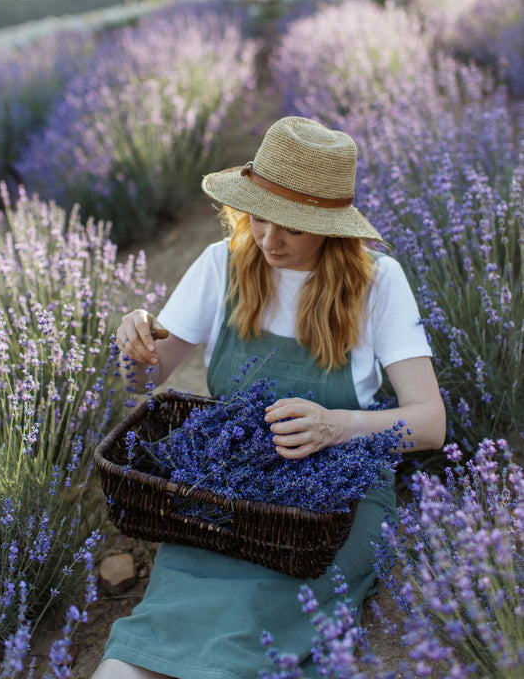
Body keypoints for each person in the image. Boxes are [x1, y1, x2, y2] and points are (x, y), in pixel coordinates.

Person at [92, 116, 445, 679]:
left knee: (252, 634)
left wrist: (334, 427)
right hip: (227, 491)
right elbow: (146, 382)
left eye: (291, 228)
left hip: (333, 503)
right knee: (153, 635)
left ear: (330, 226)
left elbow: (430, 423)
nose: (268, 240)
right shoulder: (222, 265)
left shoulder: (379, 283)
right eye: (258, 217)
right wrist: (133, 346)